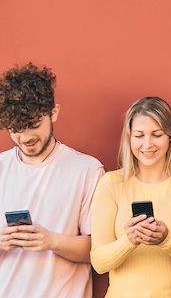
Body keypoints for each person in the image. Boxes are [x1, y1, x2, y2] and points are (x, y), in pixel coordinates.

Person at [0, 63, 105, 297]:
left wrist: (51, 241)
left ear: (54, 112)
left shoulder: (87, 169)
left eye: (34, 125)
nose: (25, 137)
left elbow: (98, 251)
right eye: (16, 129)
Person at [90, 97, 171, 297]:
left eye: (156, 134)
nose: (147, 144)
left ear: (170, 137)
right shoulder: (110, 183)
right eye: (139, 135)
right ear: (129, 139)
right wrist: (129, 240)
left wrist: (166, 239)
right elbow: (99, 263)